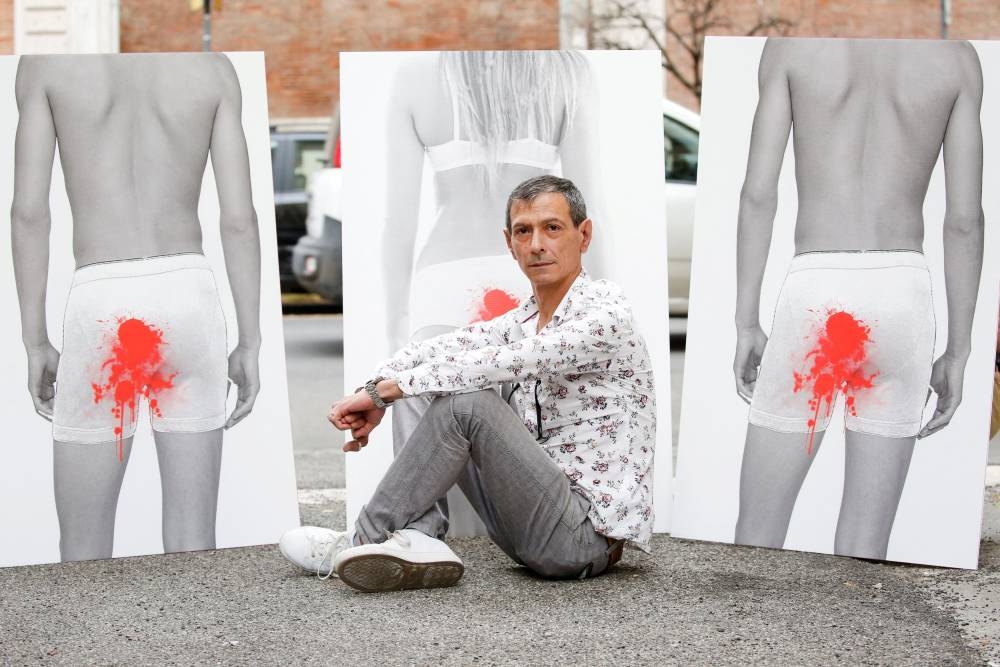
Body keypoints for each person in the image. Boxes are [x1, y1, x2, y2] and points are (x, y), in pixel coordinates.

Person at [280, 175, 655, 592]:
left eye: (552, 228)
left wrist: (385, 393)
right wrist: (376, 387)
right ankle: (418, 535)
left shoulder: (607, 314)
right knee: (423, 375)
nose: (536, 244)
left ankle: (361, 539)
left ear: (583, 235)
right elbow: (440, 350)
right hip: (528, 526)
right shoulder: (524, 321)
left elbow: (510, 361)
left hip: (581, 540)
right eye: (523, 231)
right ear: (509, 243)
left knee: (465, 401)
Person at [733, 38, 984, 560]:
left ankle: (744, 641)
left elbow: (759, 193)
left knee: (756, 537)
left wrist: (746, 323)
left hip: (816, 293)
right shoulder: (956, 57)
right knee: (865, 551)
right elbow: (963, 221)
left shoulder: (789, 47)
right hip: (903, 295)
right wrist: (959, 350)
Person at [11, 53, 261, 561]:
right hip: (188, 294)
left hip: (102, 301)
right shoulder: (212, 67)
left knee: (83, 547)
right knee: (194, 544)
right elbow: (238, 219)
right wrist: (250, 341)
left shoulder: (45, 65)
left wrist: (34, 339)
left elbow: (30, 213)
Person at [381, 50, 612, 537]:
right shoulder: (565, 70)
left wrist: (395, 328)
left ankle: (417, 538)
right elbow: (590, 209)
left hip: (444, 273)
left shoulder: (416, 75)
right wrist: (600, 305)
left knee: (431, 414)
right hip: (530, 270)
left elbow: (398, 223)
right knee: (513, 434)